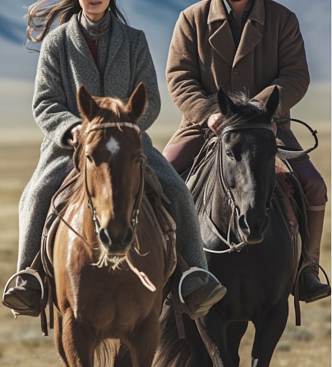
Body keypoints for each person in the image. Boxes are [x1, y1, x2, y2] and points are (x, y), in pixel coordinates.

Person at [3, 0, 226, 319]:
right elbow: (45, 103)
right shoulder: (57, 42)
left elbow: (148, 98)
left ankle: (193, 277)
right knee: (37, 194)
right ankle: (28, 278)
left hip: (127, 142)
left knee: (177, 190)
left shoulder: (134, 39)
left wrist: (125, 127)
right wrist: (75, 129)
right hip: (72, 146)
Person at [163, 0, 330, 303]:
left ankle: (306, 268)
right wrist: (207, 112)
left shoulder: (283, 19)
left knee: (314, 187)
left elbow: (295, 75)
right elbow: (179, 76)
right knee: (158, 180)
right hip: (205, 126)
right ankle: (164, 271)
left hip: (267, 129)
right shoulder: (191, 19)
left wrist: (258, 111)